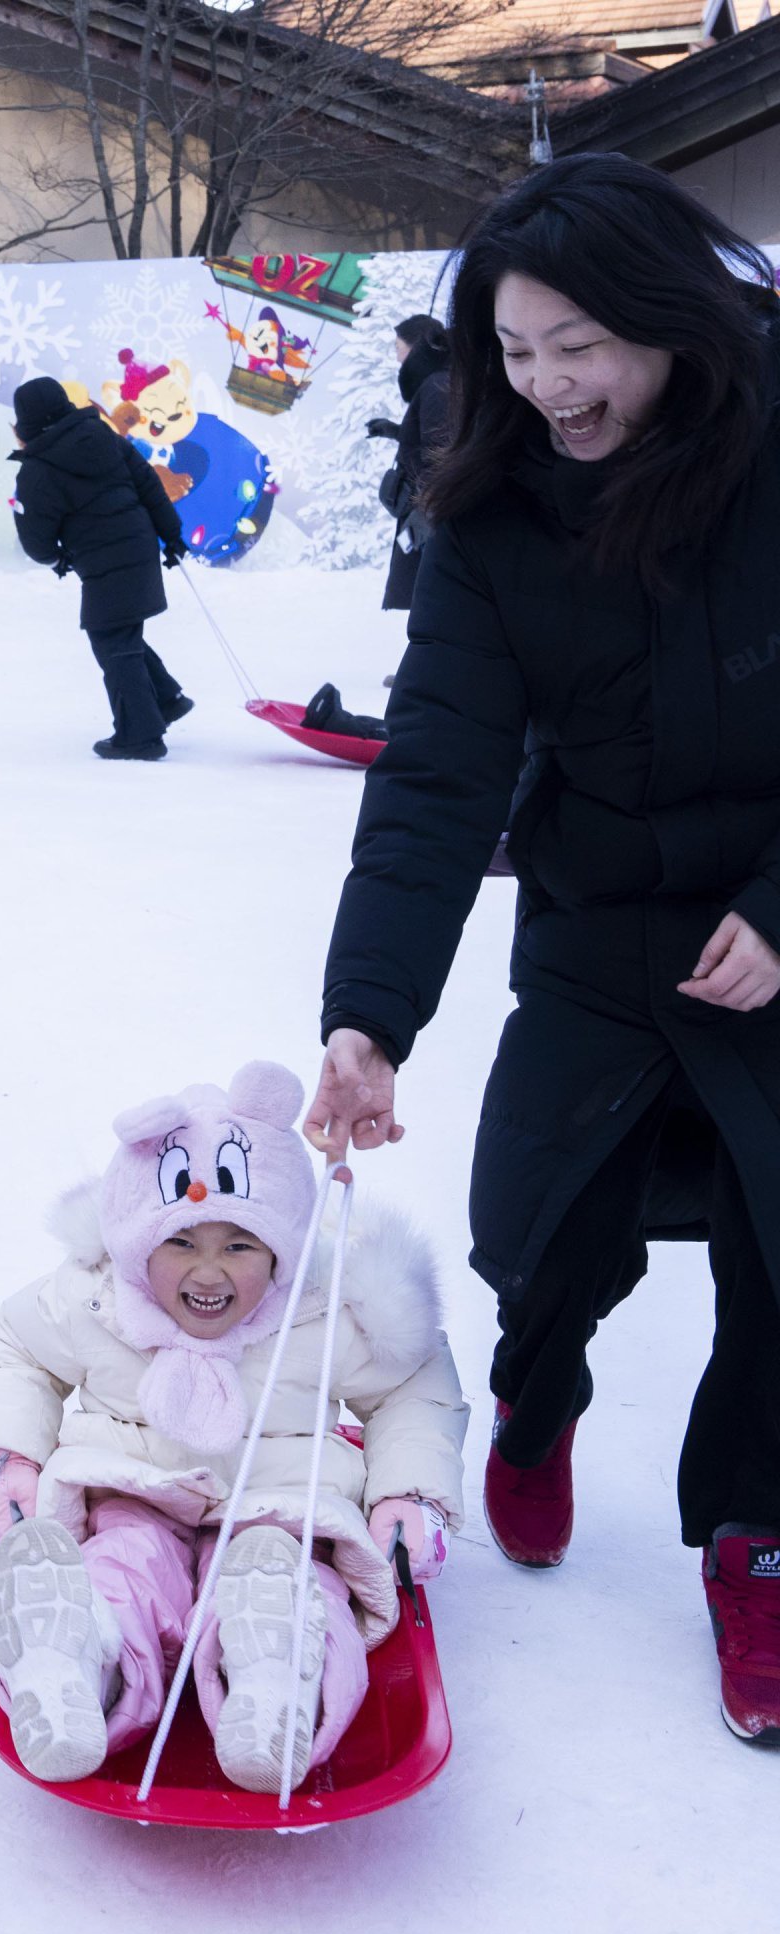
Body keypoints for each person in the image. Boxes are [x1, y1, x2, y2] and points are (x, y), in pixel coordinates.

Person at [306, 153, 780, 1746]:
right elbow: (440, 771)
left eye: (579, 345)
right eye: (516, 351)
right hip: (599, 928)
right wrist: (369, 1018)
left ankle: (756, 1537)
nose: (546, 384)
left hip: (779, 924)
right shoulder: (497, 518)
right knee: (536, 1221)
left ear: (669, 321)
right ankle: (537, 1392)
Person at [0, 1060, 465, 1790]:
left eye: (239, 1247)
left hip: (283, 1509)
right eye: (181, 1244)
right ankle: (79, 1657)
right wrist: (14, 1455)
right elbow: (15, 1350)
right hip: (133, 1489)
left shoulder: (322, 1313)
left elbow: (414, 1384)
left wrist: (407, 1493)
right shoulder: (96, 1298)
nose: (209, 1273)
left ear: (281, 1250)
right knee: (124, 1566)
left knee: (290, 1582)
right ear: (137, 1243)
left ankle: (277, 1684)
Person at [10, 375, 192, 762]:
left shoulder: (37, 469)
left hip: (102, 559)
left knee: (111, 640)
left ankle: (140, 735)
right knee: (119, 634)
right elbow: (148, 484)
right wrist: (171, 535)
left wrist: (56, 557)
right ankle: (164, 699)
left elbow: (35, 536)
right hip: (138, 545)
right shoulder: (104, 437)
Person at [366, 314, 452, 616]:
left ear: (416, 348)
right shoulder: (439, 381)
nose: (397, 356)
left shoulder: (438, 384)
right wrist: (394, 431)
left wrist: (426, 511)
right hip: (428, 510)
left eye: (399, 347)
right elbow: (430, 437)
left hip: (430, 514)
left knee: (431, 598)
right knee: (426, 596)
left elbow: (441, 452)